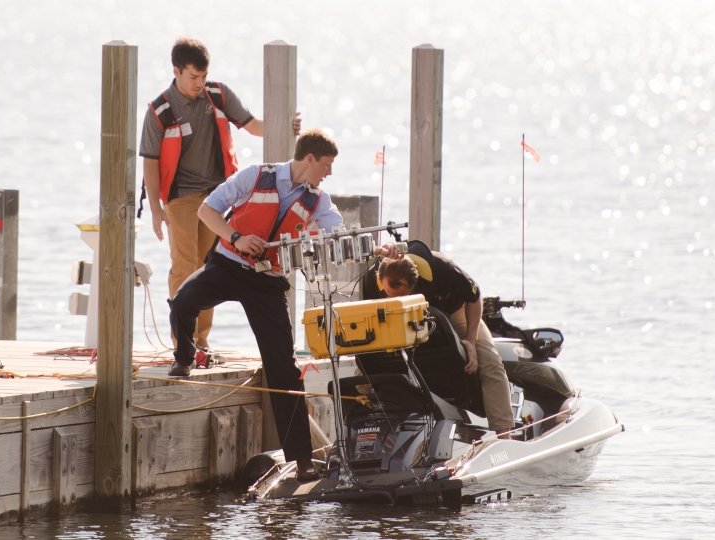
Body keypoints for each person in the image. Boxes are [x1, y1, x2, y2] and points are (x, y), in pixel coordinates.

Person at [167, 129, 341, 481]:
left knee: (284, 369)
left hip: (267, 283)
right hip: (228, 264)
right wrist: (236, 237)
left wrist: (370, 246)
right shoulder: (255, 175)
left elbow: (339, 230)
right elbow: (206, 209)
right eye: (327, 164)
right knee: (183, 303)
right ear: (309, 159)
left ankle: (302, 461)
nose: (329, 172)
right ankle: (184, 357)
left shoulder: (319, 200)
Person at [140, 36, 300, 355]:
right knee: (184, 265)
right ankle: (181, 342)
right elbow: (150, 162)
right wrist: (157, 210)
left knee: (208, 267)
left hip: (217, 196)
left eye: (202, 76)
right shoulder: (161, 110)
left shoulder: (218, 94)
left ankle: (201, 340)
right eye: (192, 77)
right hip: (181, 198)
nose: (199, 83)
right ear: (176, 71)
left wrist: (285, 126)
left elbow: (253, 125)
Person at [364, 241, 516, 438]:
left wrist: (471, 339)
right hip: (397, 317)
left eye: (400, 294)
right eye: (388, 294)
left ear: (413, 284)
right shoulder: (371, 281)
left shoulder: (443, 268)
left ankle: (504, 435)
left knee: (490, 363)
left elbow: (474, 296)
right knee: (370, 369)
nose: (392, 296)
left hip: (454, 311)